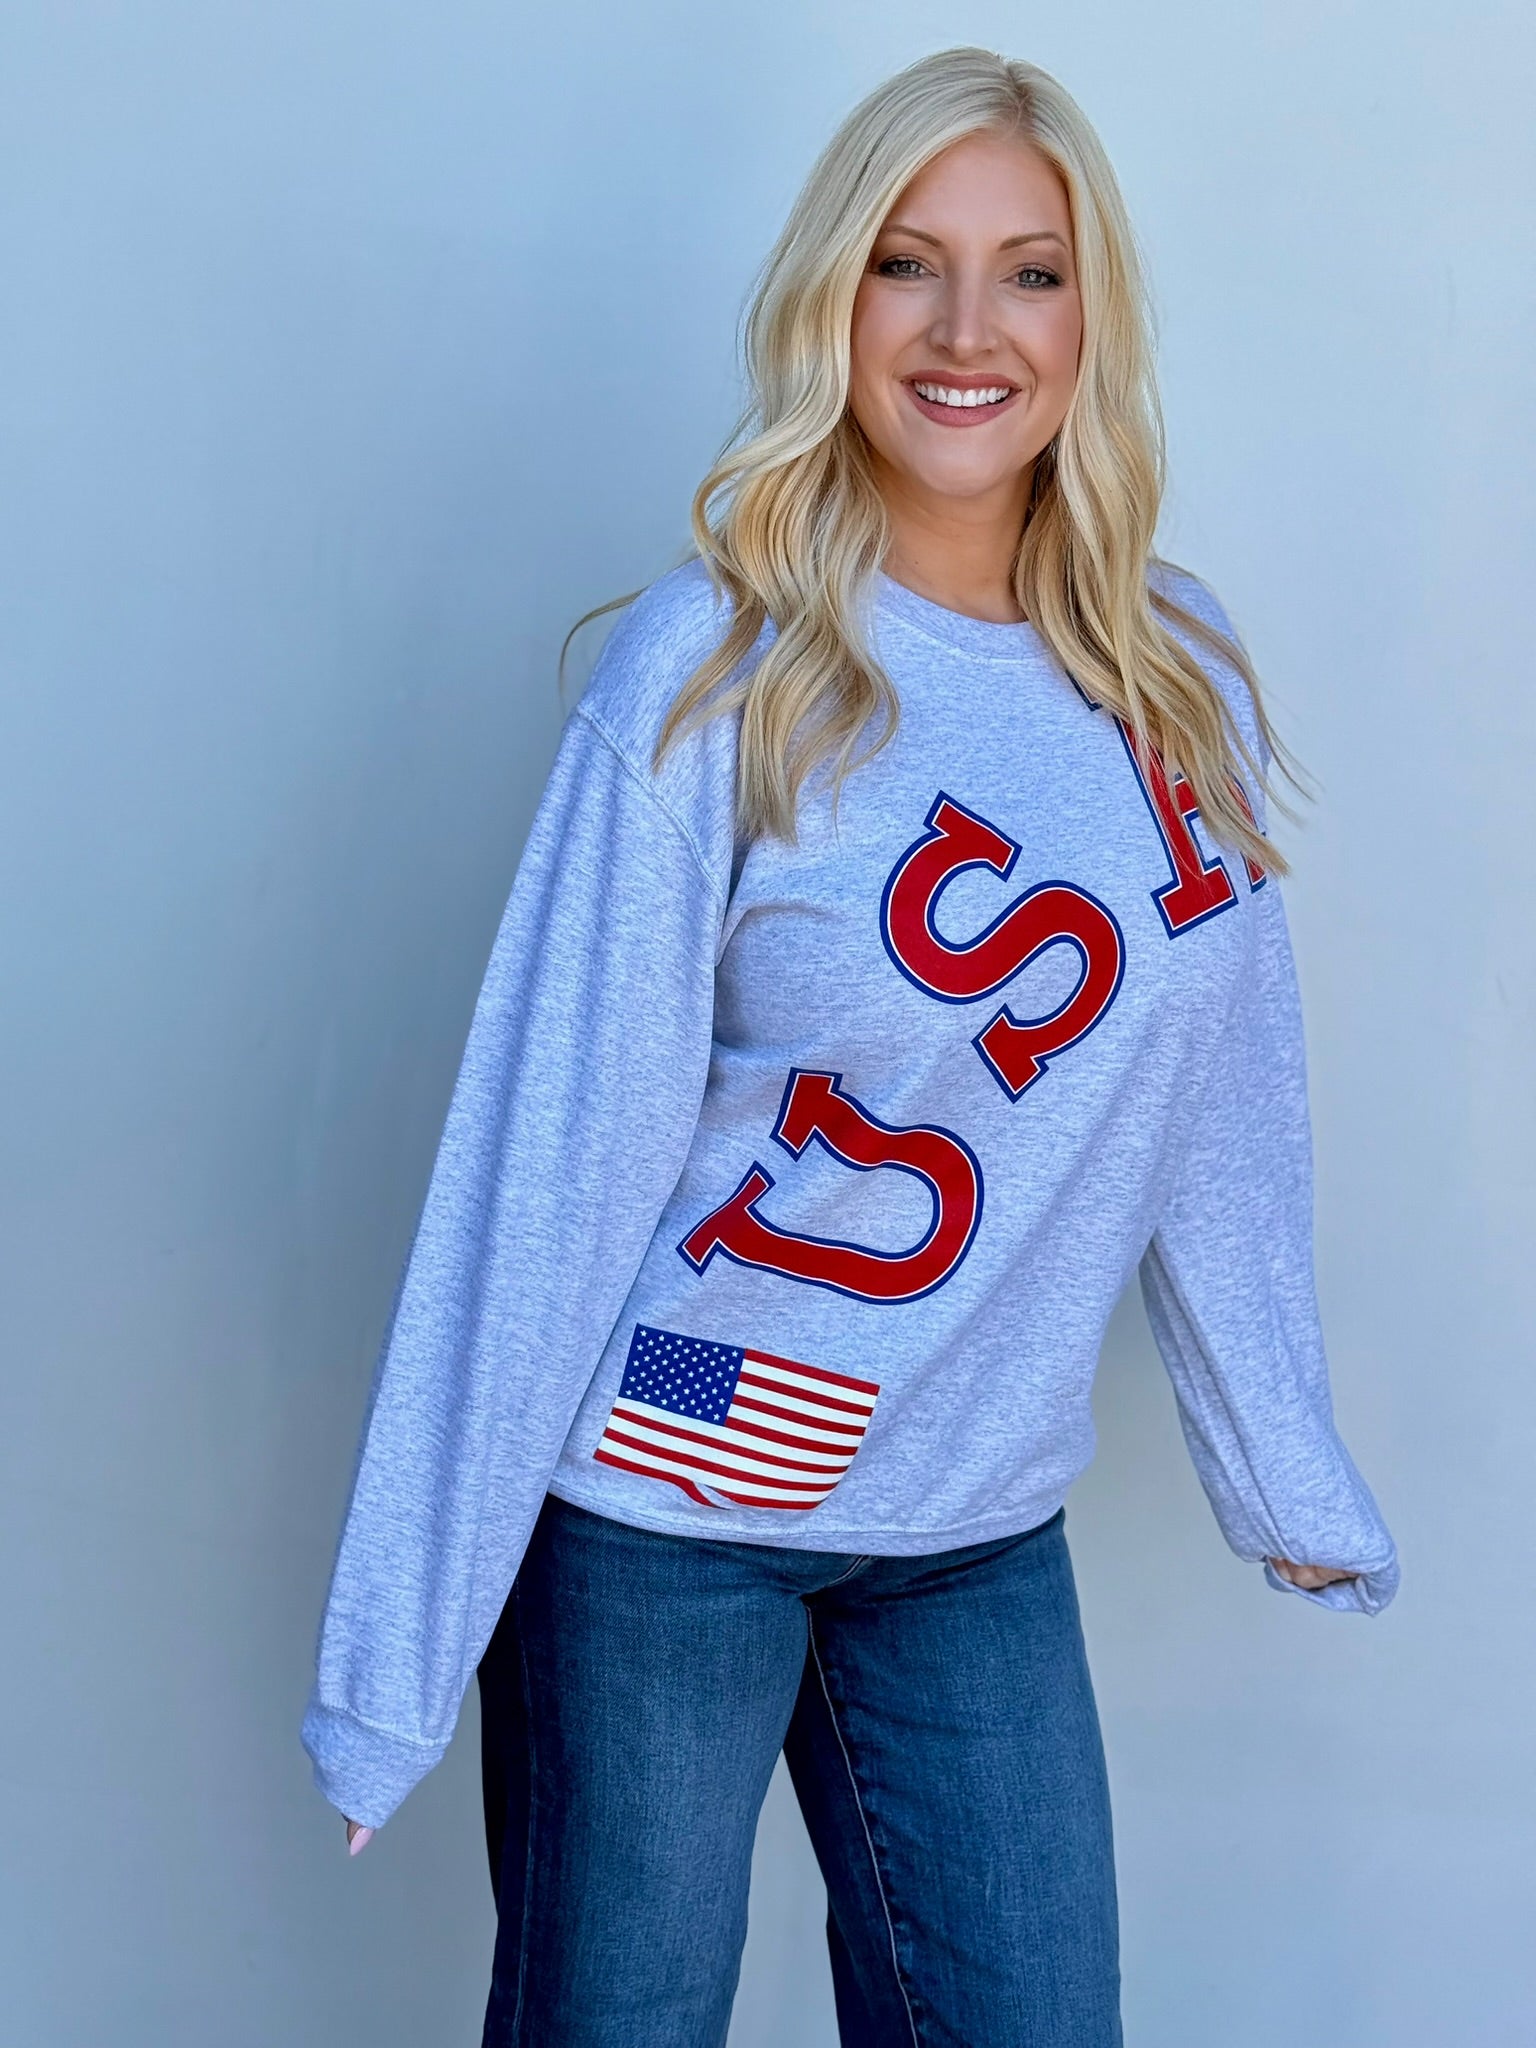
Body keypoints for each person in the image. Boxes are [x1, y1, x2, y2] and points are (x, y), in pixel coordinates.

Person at [301, 44, 1399, 2047]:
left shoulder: (1180, 685)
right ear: (837, 300)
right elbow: (544, 1172)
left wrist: (1284, 1471)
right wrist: (398, 1661)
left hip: (972, 1522)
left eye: (1030, 272)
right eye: (910, 263)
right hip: (671, 1505)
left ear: (1092, 322)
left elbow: (1225, 1117)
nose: (970, 329)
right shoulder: (713, 674)